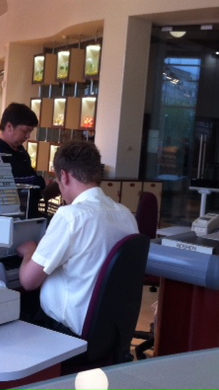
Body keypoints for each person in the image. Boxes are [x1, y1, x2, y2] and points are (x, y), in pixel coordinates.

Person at [17, 140, 139, 336]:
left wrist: (29, 252)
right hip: (108, 332)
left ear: (64, 176)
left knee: (11, 308)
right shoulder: (125, 214)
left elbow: (28, 281)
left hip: (65, 332)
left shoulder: (70, 217)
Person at [0, 102, 45, 218]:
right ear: (9, 127)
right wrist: (40, 182)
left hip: (23, 214)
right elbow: (5, 182)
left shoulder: (20, 150)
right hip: (0, 216)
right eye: (25, 131)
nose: (28, 136)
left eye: (30, 131)